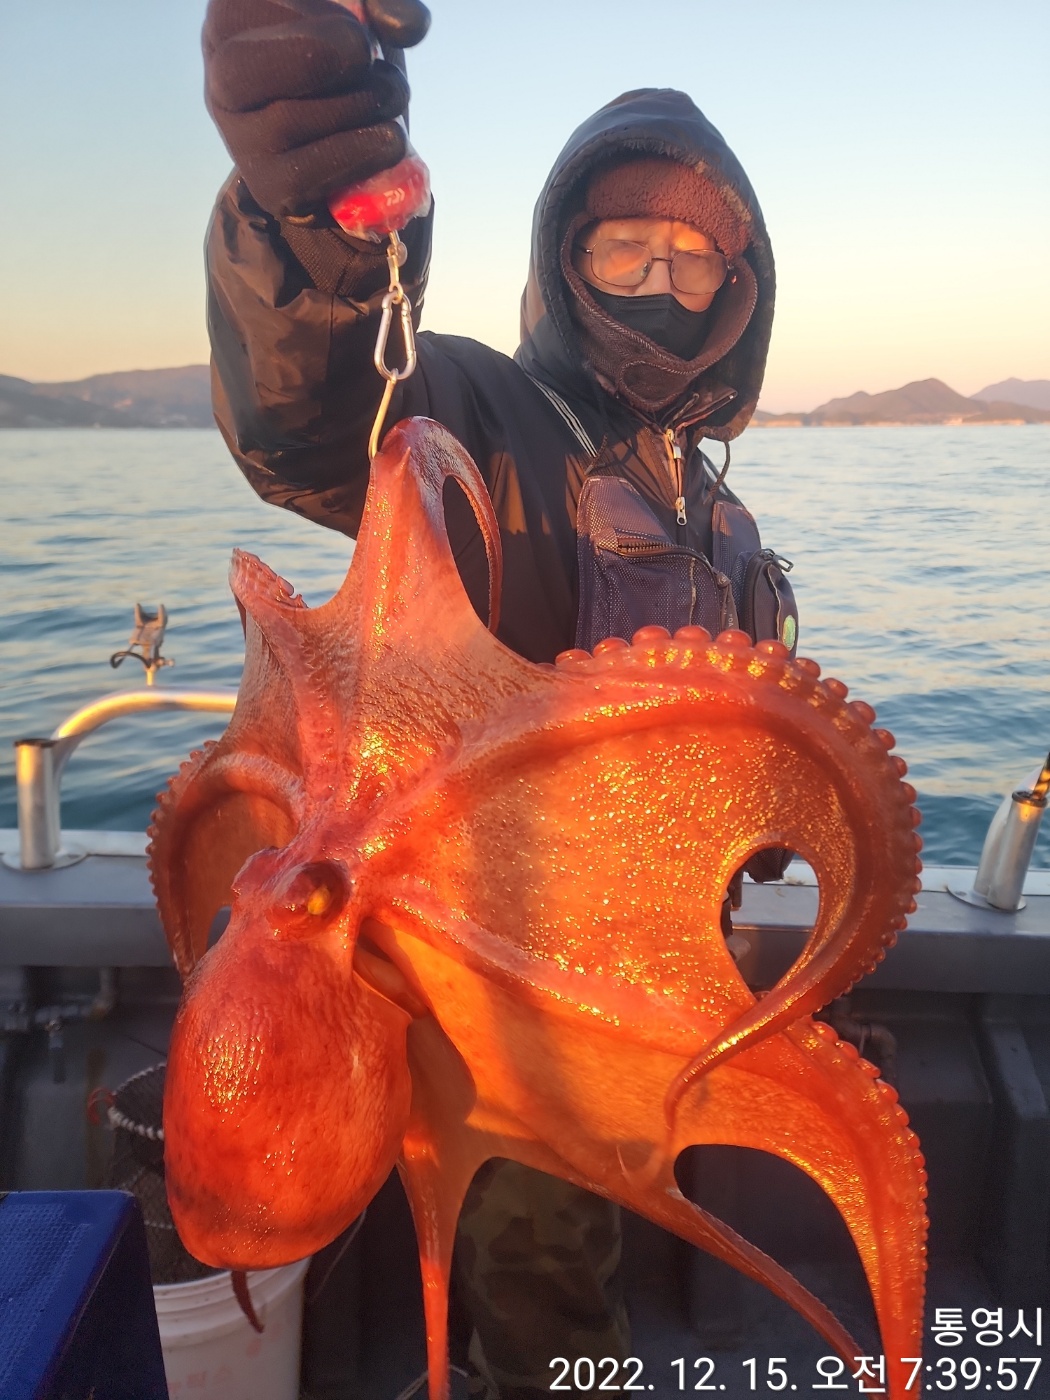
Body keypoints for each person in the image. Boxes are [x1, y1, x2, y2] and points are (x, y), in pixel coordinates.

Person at [201, 2, 797, 1396]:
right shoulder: (476, 412)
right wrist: (315, 212)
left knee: (598, 1226)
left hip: (655, 964)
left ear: (739, 286)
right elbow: (311, 414)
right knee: (541, 1262)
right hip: (502, 978)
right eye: (623, 245)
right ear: (563, 258)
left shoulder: (709, 504)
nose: (660, 278)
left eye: (693, 256)